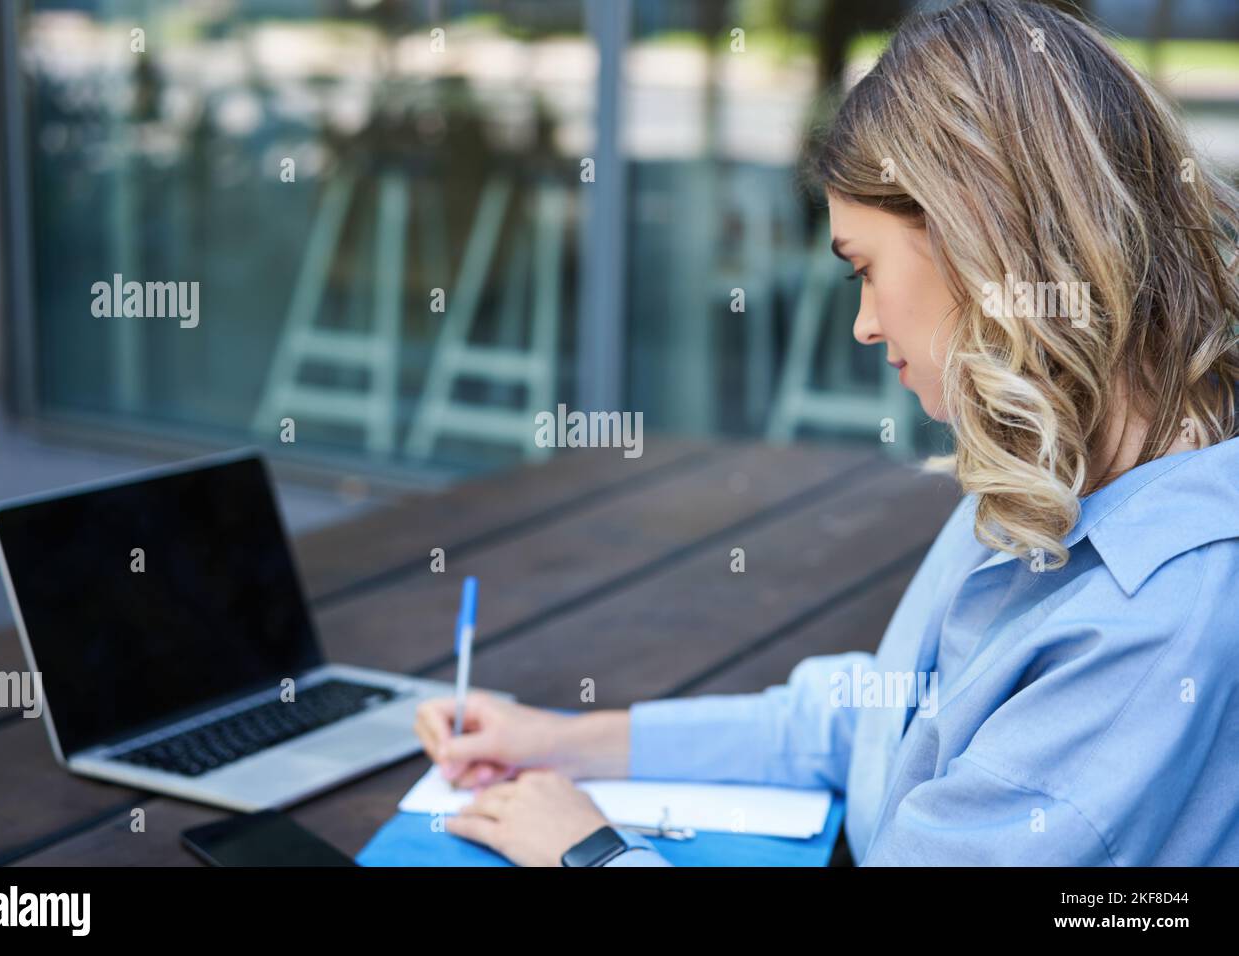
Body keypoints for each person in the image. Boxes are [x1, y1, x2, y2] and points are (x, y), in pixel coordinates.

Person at [414, 0, 1239, 866]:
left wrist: (587, 852)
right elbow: (881, 717)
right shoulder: (1056, 468)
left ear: (983, 240)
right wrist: (563, 739)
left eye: (867, 269)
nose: (864, 324)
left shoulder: (1153, 619)